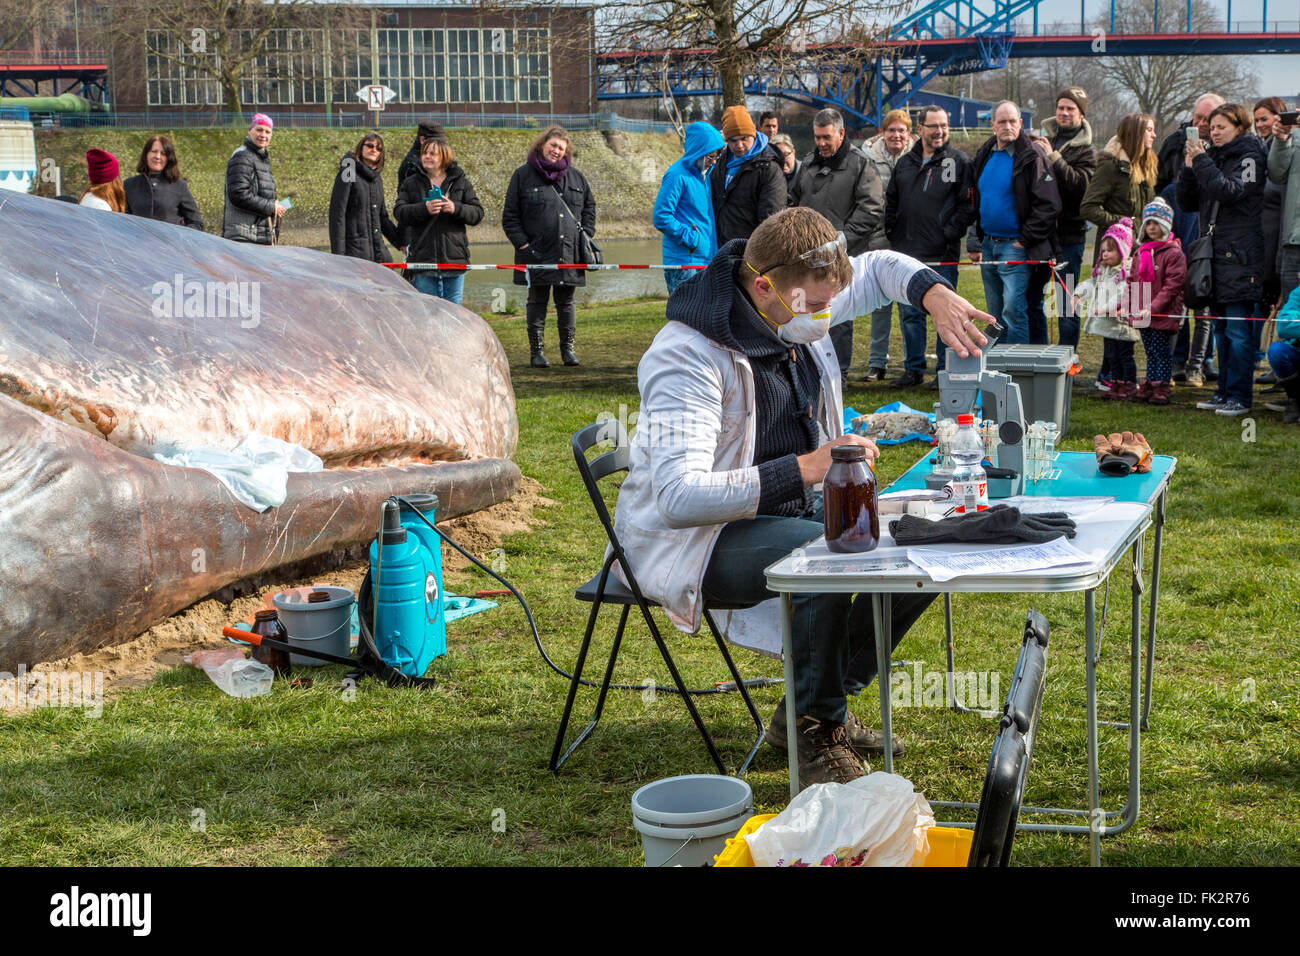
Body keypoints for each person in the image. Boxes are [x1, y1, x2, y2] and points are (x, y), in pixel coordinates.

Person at [609, 206, 994, 786]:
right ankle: (816, 731)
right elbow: (677, 497)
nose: (824, 317)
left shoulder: (796, 290)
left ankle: (814, 707)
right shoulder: (684, 355)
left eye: (830, 302)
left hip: (788, 509)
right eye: (813, 305)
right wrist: (809, 468)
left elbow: (884, 267)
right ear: (763, 286)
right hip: (694, 538)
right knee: (832, 554)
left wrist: (934, 294)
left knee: (923, 548)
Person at [1179, 102, 1267, 417]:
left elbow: (1230, 190)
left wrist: (1201, 160)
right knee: (1220, 328)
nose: (1214, 132)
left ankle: (1240, 397)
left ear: (1239, 128)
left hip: (1241, 256)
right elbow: (1187, 201)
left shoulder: (1251, 157)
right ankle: (1224, 393)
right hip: (1216, 255)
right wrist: (1189, 168)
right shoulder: (1212, 158)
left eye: (1221, 127)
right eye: (1211, 127)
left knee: (1238, 333)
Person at [791, 107, 885, 378]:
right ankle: (807, 369)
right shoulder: (808, 163)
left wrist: (842, 240)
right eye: (817, 137)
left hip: (841, 256)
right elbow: (794, 200)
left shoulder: (861, 164)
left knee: (838, 316)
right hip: (807, 255)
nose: (821, 143)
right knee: (804, 310)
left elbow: (872, 208)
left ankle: (839, 374)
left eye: (826, 137)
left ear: (841, 133)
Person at [886, 105, 976, 386]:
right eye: (933, 126)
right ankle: (913, 369)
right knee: (910, 315)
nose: (939, 132)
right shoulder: (905, 162)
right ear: (920, 128)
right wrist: (894, 233)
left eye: (944, 126)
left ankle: (943, 372)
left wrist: (947, 233)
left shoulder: (955, 162)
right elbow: (892, 201)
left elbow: (967, 205)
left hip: (941, 255)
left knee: (945, 316)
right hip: (907, 253)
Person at [502, 126, 595, 368]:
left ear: (566, 152)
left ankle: (568, 351)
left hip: (569, 252)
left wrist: (585, 236)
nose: (556, 151)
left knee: (566, 303)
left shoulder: (577, 177)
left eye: (561, 148)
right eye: (553, 145)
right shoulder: (522, 175)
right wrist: (524, 245)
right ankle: (537, 353)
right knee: (537, 301)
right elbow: (510, 216)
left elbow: (589, 209)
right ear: (543, 144)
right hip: (534, 253)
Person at [971, 101, 1061, 344]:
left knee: (1014, 312)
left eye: (1012, 121)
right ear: (992, 125)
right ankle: (998, 367)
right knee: (994, 316)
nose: (1007, 126)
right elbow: (976, 199)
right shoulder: (985, 154)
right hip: (989, 244)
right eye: (1002, 122)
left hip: (1016, 247)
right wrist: (976, 238)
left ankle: (1018, 369)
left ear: (1021, 123)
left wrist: (1023, 241)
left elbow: (1049, 204)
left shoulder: (1032, 155)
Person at [1081, 113, 1157, 390]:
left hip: (1140, 252)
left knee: (1130, 313)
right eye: (1149, 130)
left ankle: (1122, 373)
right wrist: (1122, 226)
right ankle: (1109, 374)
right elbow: (1088, 206)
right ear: (1136, 133)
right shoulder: (1110, 166)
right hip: (1114, 253)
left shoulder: (1147, 165)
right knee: (1111, 313)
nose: (1153, 135)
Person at [1028, 87, 1097, 347]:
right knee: (1033, 298)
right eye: (1061, 107)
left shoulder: (1087, 151)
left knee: (1066, 302)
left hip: (1070, 236)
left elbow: (1081, 187)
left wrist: (1053, 158)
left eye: (1071, 108)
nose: (1064, 113)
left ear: (1081, 114)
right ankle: (1041, 355)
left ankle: (1068, 360)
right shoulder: (1047, 139)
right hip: (1042, 235)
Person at [394, 133, 483, 305]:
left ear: (444, 157)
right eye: (424, 153)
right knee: (428, 314)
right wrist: (424, 209)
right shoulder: (410, 183)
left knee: (454, 315)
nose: (426, 156)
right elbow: (399, 212)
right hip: (424, 262)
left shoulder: (461, 182)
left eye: (432, 153)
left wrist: (455, 208)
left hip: (454, 262)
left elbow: (477, 213)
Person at [861, 110, 917, 384]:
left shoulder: (918, 158)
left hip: (909, 236)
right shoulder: (868, 158)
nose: (897, 135)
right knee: (879, 304)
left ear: (909, 133)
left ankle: (912, 364)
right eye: (891, 130)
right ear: (882, 132)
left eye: (902, 130)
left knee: (910, 303)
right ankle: (876, 362)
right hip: (879, 235)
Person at [653, 121, 725, 294]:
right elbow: (661, 216)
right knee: (684, 318)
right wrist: (692, 239)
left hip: (703, 261)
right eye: (710, 157)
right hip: (684, 263)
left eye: (716, 157)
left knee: (701, 317)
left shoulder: (705, 176)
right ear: (697, 152)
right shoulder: (677, 175)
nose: (714, 162)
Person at [1074, 219, 1141, 400]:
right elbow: (1091, 284)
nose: (1104, 254)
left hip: (1122, 325)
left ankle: (1129, 384)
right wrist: (1078, 294)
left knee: (1125, 356)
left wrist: (1104, 308)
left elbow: (1121, 294)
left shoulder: (1125, 273)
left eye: (1110, 250)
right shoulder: (1104, 270)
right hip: (1108, 325)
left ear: (1123, 250)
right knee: (1112, 356)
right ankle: (1116, 383)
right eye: (1103, 250)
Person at [1128, 199, 1185, 405]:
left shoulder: (1173, 253)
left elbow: (1173, 285)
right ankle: (1150, 382)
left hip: (1162, 311)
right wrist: (1127, 305)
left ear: (1166, 225)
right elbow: (1132, 280)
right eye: (1148, 223)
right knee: (1150, 350)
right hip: (1143, 312)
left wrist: (1152, 308)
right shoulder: (1140, 252)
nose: (1152, 227)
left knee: (1161, 351)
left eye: (1156, 223)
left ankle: (1161, 385)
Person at [709, 105, 786, 246]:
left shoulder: (769, 168)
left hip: (749, 251)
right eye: (733, 140)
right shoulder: (720, 161)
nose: (739, 145)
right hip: (720, 248)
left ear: (754, 134)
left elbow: (771, 220)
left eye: (744, 138)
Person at [329, 133, 404, 265]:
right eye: (370, 145)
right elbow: (337, 215)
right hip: (354, 253)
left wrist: (401, 243)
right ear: (361, 147)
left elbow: (382, 217)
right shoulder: (348, 171)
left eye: (379, 148)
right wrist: (338, 257)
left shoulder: (377, 178)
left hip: (377, 252)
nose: (374, 149)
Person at [1254, 97, 1288, 385]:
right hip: (1262, 241)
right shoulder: (1259, 152)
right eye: (1257, 120)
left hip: (1282, 239)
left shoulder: (1286, 152)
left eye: (1265, 118)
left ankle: (1282, 369)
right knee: (1264, 305)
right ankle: (1269, 364)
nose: (1261, 124)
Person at [223, 114, 283, 245]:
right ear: (250, 131)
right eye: (259, 130)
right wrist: (271, 206)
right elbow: (238, 194)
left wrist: (276, 206)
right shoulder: (242, 156)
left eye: (268, 132)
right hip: (244, 237)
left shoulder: (261, 158)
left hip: (259, 236)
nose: (263, 135)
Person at [123, 135, 203, 230]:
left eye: (163, 153)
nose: (158, 156)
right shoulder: (129, 185)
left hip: (170, 244)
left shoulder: (179, 186)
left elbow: (196, 223)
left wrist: (179, 237)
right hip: (137, 243)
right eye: (154, 151)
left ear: (169, 158)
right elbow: (122, 221)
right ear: (146, 154)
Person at [1157, 93, 1224, 193]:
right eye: (1198, 117)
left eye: (1207, 119)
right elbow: (1160, 180)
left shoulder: (1227, 145)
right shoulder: (1174, 142)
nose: (1201, 123)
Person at [1264, 283, 1300, 422]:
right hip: (1296, 350)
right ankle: (1294, 399)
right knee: (1276, 351)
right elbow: (1284, 326)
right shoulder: (1298, 293)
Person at [770, 134, 801, 201]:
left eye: (786, 154)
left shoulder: (805, 173)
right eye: (777, 156)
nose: (782, 160)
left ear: (793, 153)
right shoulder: (768, 176)